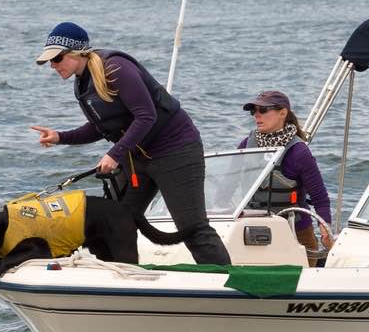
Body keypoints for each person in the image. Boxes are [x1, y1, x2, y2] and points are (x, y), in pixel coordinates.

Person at [31, 22, 231, 265]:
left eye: (57, 58)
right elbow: (100, 127)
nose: (53, 65)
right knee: (112, 222)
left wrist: (115, 154)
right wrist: (60, 137)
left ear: (77, 53)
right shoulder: (82, 81)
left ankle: (224, 282)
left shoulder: (116, 68)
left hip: (176, 152)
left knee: (193, 228)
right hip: (137, 158)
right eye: (49, 61)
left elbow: (147, 115)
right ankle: (120, 277)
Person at [238, 91, 332, 267]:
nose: (257, 115)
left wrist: (325, 229)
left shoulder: (299, 152)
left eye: (264, 110)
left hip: (296, 235)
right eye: (254, 111)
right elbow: (226, 189)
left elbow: (320, 199)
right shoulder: (246, 146)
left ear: (283, 113)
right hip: (252, 233)